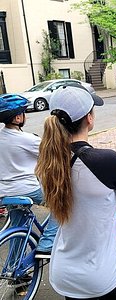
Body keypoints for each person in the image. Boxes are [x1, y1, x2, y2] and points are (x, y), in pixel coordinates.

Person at [35, 86, 116, 300]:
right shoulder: (106, 160)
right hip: (105, 274)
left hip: (66, 275)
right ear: (89, 119)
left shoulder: (48, 164)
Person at [0, 93, 58, 259]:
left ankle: (13, 270)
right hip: (28, 189)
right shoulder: (27, 139)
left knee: (18, 228)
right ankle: (47, 244)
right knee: (61, 203)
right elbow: (51, 156)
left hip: (5, 192)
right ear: (18, 117)